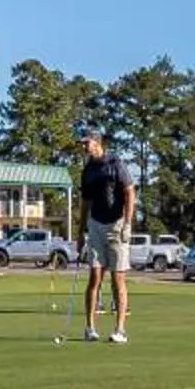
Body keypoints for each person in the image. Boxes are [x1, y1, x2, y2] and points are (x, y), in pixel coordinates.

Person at [75, 125, 138, 344]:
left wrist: (127, 224)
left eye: (86, 142)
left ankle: (120, 330)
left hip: (117, 225)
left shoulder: (115, 163)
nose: (84, 147)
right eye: (82, 143)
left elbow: (130, 192)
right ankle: (90, 328)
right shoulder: (88, 170)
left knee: (118, 279)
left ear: (97, 142)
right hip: (95, 225)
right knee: (95, 276)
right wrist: (80, 232)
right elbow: (85, 203)